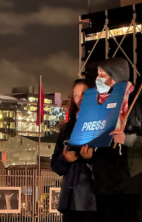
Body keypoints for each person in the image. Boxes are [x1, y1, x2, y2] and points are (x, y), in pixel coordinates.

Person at [79, 57, 142, 222]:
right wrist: (89, 155)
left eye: (103, 75)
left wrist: (129, 139)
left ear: (116, 76)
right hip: (104, 184)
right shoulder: (95, 105)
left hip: (130, 183)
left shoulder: (138, 104)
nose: (99, 79)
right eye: (98, 74)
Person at [51, 79, 97, 222]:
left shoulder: (100, 124)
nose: (80, 98)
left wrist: (90, 158)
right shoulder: (67, 129)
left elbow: (108, 162)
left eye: (83, 93)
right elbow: (55, 165)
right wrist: (65, 159)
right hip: (69, 201)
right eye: (76, 95)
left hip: (91, 201)